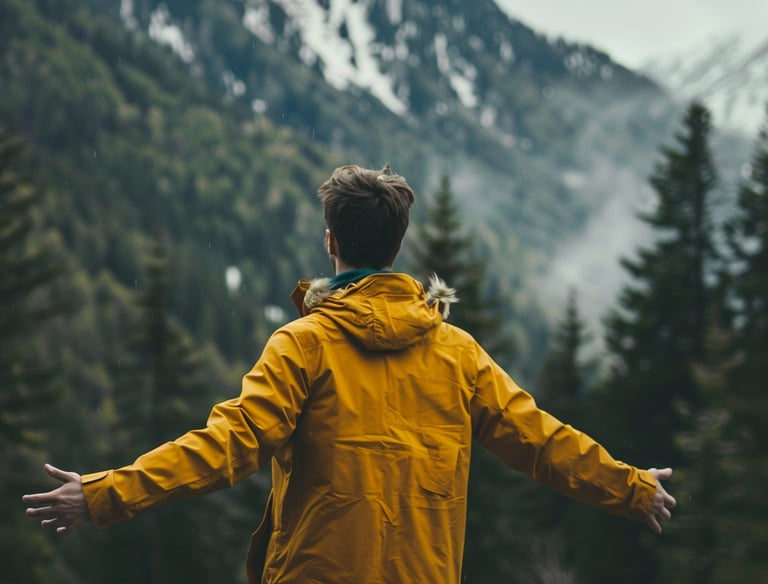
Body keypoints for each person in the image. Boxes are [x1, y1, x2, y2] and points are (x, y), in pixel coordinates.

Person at [23, 164, 676, 583]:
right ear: (397, 245)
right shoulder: (458, 355)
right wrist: (633, 487)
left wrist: (105, 493)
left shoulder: (302, 346)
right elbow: (544, 443)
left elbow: (224, 449)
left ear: (332, 242)